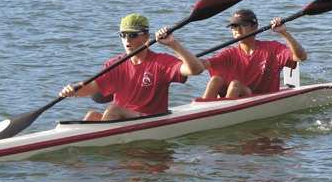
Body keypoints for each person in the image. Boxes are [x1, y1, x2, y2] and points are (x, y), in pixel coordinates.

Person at [59, 13, 204, 121]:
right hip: (123, 119)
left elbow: (196, 69)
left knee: (114, 109)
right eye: (123, 35)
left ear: (146, 37)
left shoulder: (161, 63)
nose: (127, 40)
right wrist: (73, 89)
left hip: (150, 120)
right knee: (92, 115)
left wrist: (174, 44)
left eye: (132, 35)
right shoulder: (115, 64)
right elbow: (91, 87)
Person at [201, 9, 307, 98]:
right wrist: (185, 60)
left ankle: (221, 116)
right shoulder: (228, 54)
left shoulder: (272, 49)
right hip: (236, 99)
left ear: (254, 27)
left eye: (242, 26)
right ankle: (202, 112)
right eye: (234, 27)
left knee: (235, 85)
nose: (237, 30)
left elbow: (301, 57)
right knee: (215, 80)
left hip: (261, 99)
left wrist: (284, 33)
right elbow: (202, 65)